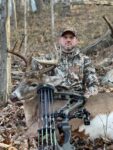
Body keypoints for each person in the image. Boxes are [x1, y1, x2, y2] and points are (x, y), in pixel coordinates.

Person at [32, 27, 98, 100]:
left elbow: (93, 83)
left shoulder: (85, 60)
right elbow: (35, 77)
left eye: (71, 37)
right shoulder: (48, 59)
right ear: (60, 40)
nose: (68, 40)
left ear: (76, 41)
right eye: (65, 37)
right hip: (55, 99)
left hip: (78, 99)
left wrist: (89, 93)